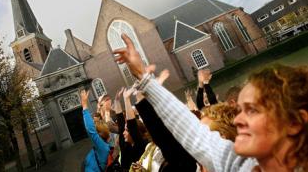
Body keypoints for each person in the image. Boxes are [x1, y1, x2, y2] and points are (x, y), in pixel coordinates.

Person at [113, 33, 308, 171]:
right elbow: (194, 133)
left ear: (294, 123)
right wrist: (143, 77)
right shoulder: (238, 165)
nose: (237, 120)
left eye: (252, 110)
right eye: (240, 109)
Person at [114, 87, 149, 171]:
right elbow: (121, 124)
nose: (123, 133)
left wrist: (126, 99)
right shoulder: (126, 144)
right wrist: (117, 101)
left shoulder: (141, 145)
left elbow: (132, 125)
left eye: (127, 130)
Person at [80, 89, 111, 172]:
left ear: (99, 134)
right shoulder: (104, 144)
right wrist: (100, 108)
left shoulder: (102, 146)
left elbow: (91, 130)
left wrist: (85, 106)